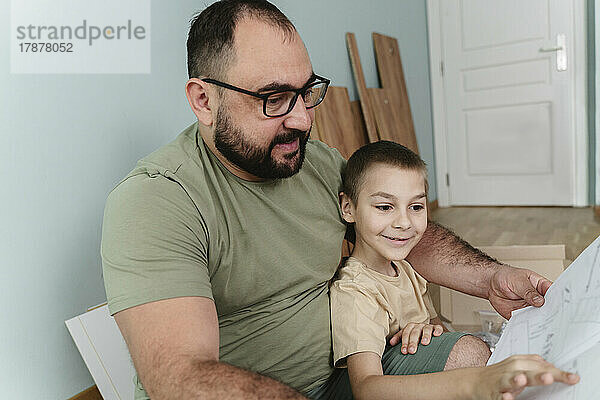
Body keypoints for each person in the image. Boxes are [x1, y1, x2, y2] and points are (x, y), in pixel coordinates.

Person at [100, 1, 578, 399]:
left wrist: (490, 278)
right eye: (274, 98)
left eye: (306, 92)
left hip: (350, 366)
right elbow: (181, 378)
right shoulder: (158, 201)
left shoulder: (315, 162)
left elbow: (398, 227)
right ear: (203, 100)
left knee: (473, 359)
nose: (303, 120)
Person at [329, 141, 491, 399]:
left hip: (413, 370)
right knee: (470, 353)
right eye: (384, 207)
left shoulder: (406, 270)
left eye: (416, 207)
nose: (404, 222)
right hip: (377, 388)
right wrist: (469, 379)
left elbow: (439, 330)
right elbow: (366, 388)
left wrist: (430, 332)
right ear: (349, 208)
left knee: (475, 349)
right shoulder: (355, 291)